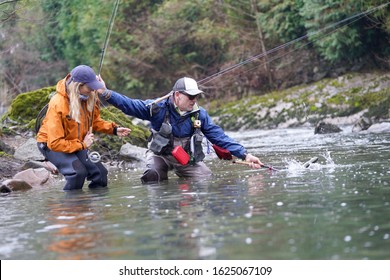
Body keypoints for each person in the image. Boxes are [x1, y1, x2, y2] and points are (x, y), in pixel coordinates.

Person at [97, 77, 263, 183]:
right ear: (177, 95)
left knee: (205, 179)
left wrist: (245, 155)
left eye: (196, 96)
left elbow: (219, 137)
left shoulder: (199, 114)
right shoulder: (157, 108)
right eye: (190, 96)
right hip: (160, 156)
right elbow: (130, 105)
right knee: (153, 176)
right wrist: (105, 93)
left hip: (186, 160)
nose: (194, 100)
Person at [36, 65, 131, 191]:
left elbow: (94, 122)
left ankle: (94, 209)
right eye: (90, 87)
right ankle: (69, 209)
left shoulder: (89, 96)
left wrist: (113, 129)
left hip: (77, 142)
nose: (93, 91)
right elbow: (55, 143)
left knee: (100, 174)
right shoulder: (58, 104)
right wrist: (82, 145)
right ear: (77, 86)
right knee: (77, 174)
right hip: (51, 145)